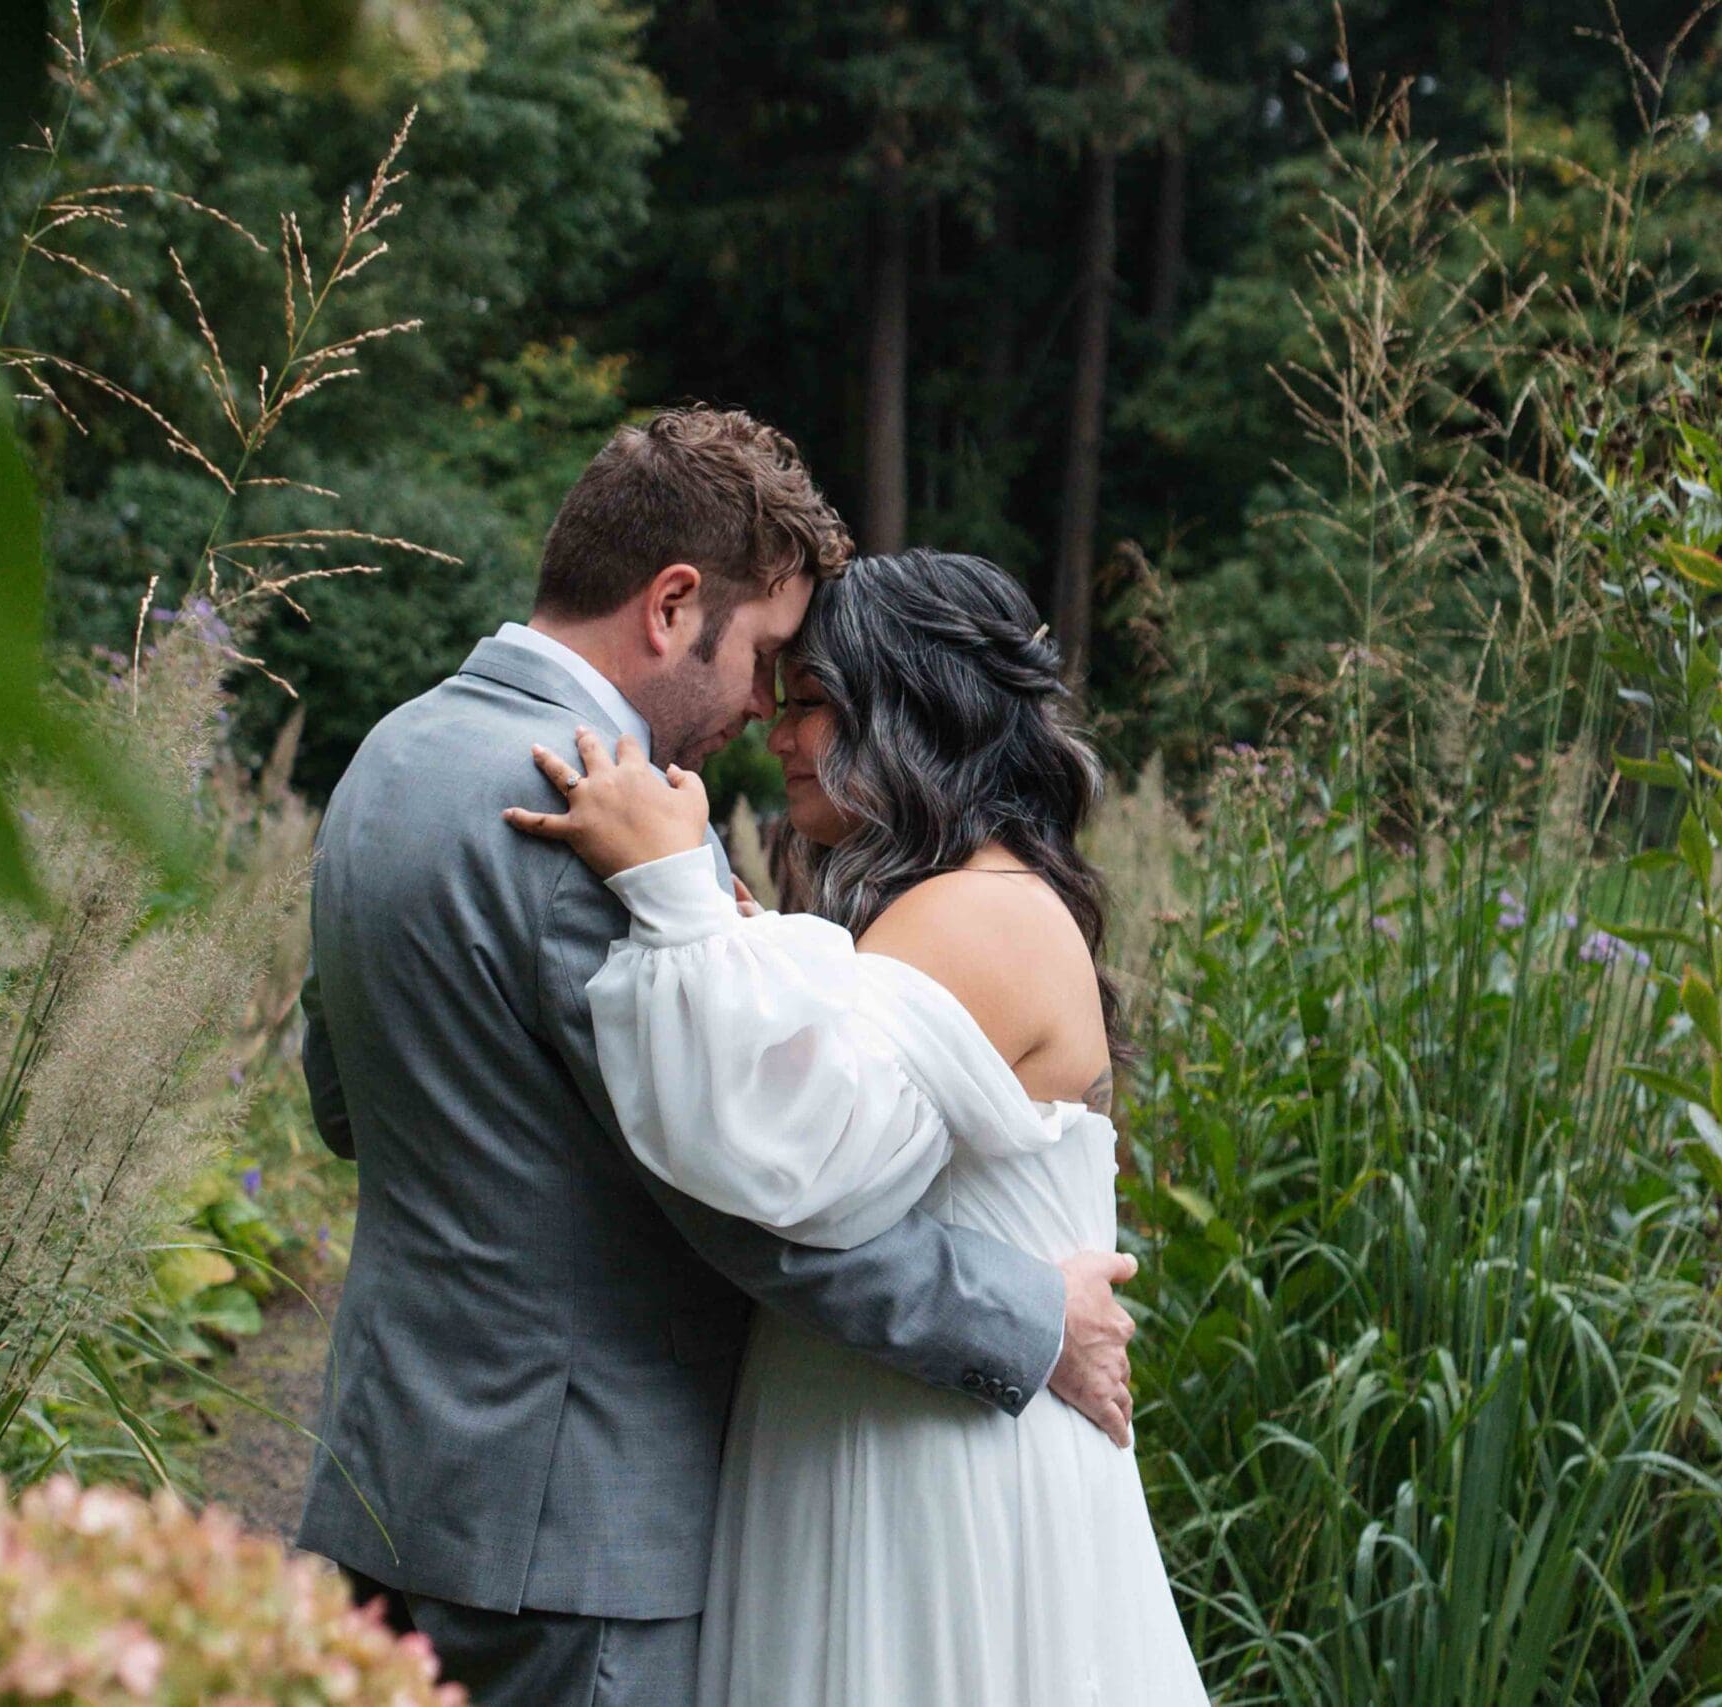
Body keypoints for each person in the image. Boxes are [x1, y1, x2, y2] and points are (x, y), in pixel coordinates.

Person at [295, 409, 1139, 1707]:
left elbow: (344, 1100)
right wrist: (1030, 1319)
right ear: (672, 604)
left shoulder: (392, 756)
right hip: (575, 1521)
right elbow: (753, 1200)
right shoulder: (593, 809)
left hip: (388, 1470)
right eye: (760, 661)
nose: (761, 708)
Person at [506, 546, 1209, 1705]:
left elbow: (791, 1162)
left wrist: (676, 897)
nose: (778, 736)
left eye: (811, 704)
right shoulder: (960, 903)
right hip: (890, 1428)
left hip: (931, 1476)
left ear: (915, 710)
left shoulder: (976, 913)